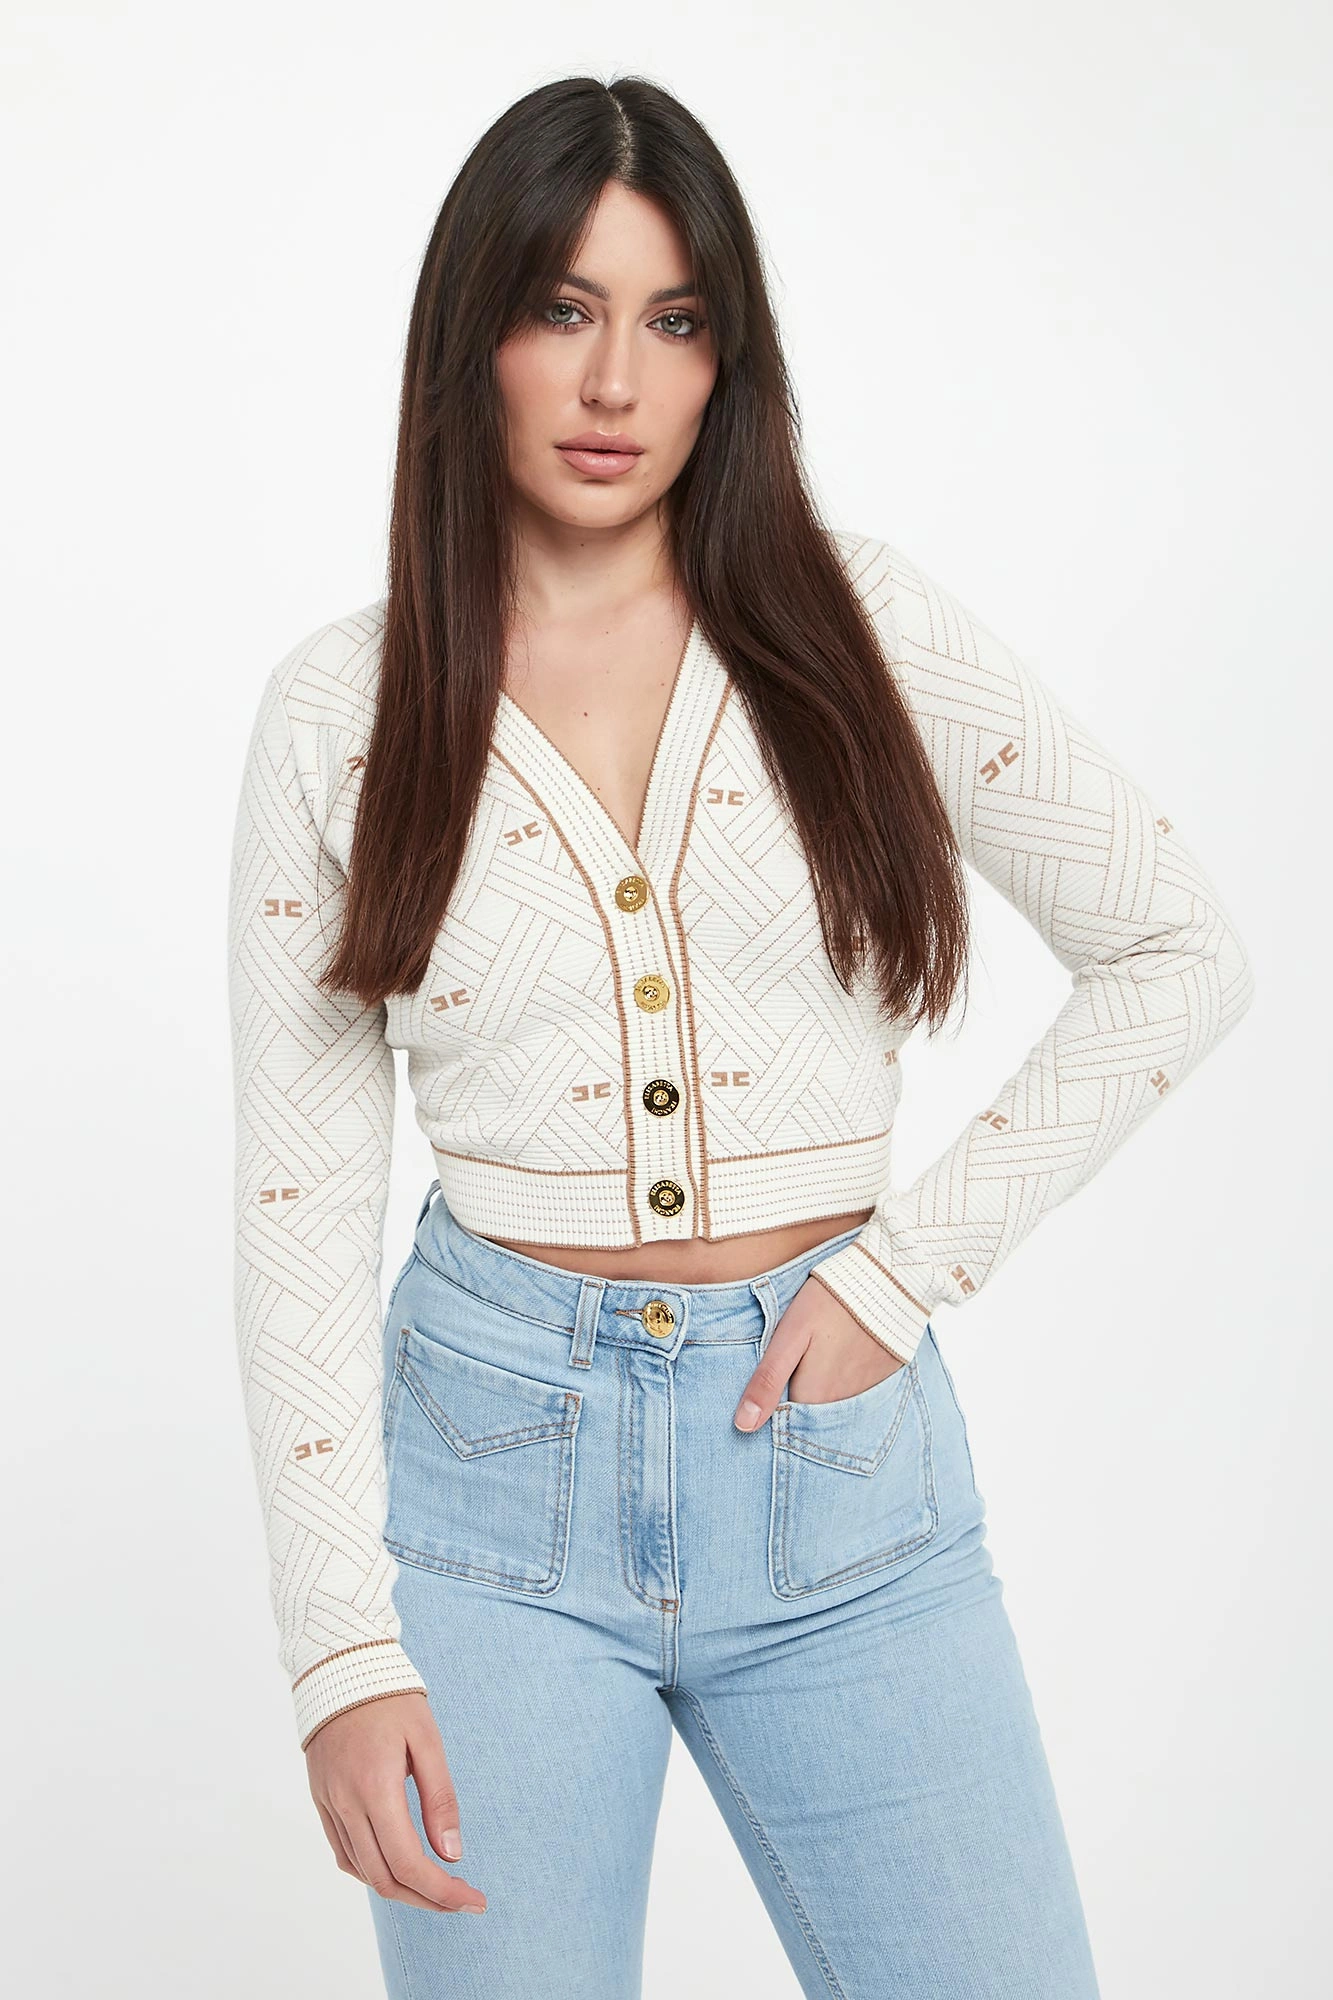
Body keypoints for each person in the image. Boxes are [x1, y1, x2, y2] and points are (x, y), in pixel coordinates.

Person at [226, 73, 1254, 2000]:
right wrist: (340, 1651)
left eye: (675, 320)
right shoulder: (343, 711)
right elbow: (299, 1210)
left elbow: (1177, 947)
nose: (616, 380)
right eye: (563, 309)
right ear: (473, 339)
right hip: (491, 1504)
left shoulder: (864, 631)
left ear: (728, 362)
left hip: (841, 1492)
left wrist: (905, 1269)